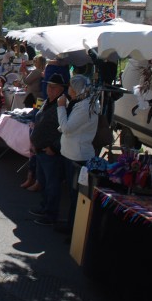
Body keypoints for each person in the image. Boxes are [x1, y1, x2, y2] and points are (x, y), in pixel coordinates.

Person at [57, 74, 99, 231]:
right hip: (72, 153)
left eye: (70, 87)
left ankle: (74, 228)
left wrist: (61, 107)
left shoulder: (85, 107)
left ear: (76, 89)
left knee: (76, 194)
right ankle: (70, 224)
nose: (68, 89)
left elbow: (67, 128)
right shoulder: (82, 104)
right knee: (72, 192)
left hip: (77, 155)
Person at [28, 73, 67, 226]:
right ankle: (44, 207)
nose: (49, 89)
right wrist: (34, 141)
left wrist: (54, 147)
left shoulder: (62, 105)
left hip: (50, 151)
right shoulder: (47, 102)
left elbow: (64, 130)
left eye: (53, 87)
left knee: (52, 184)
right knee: (43, 181)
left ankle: (51, 214)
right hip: (40, 149)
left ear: (61, 89)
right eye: (49, 86)